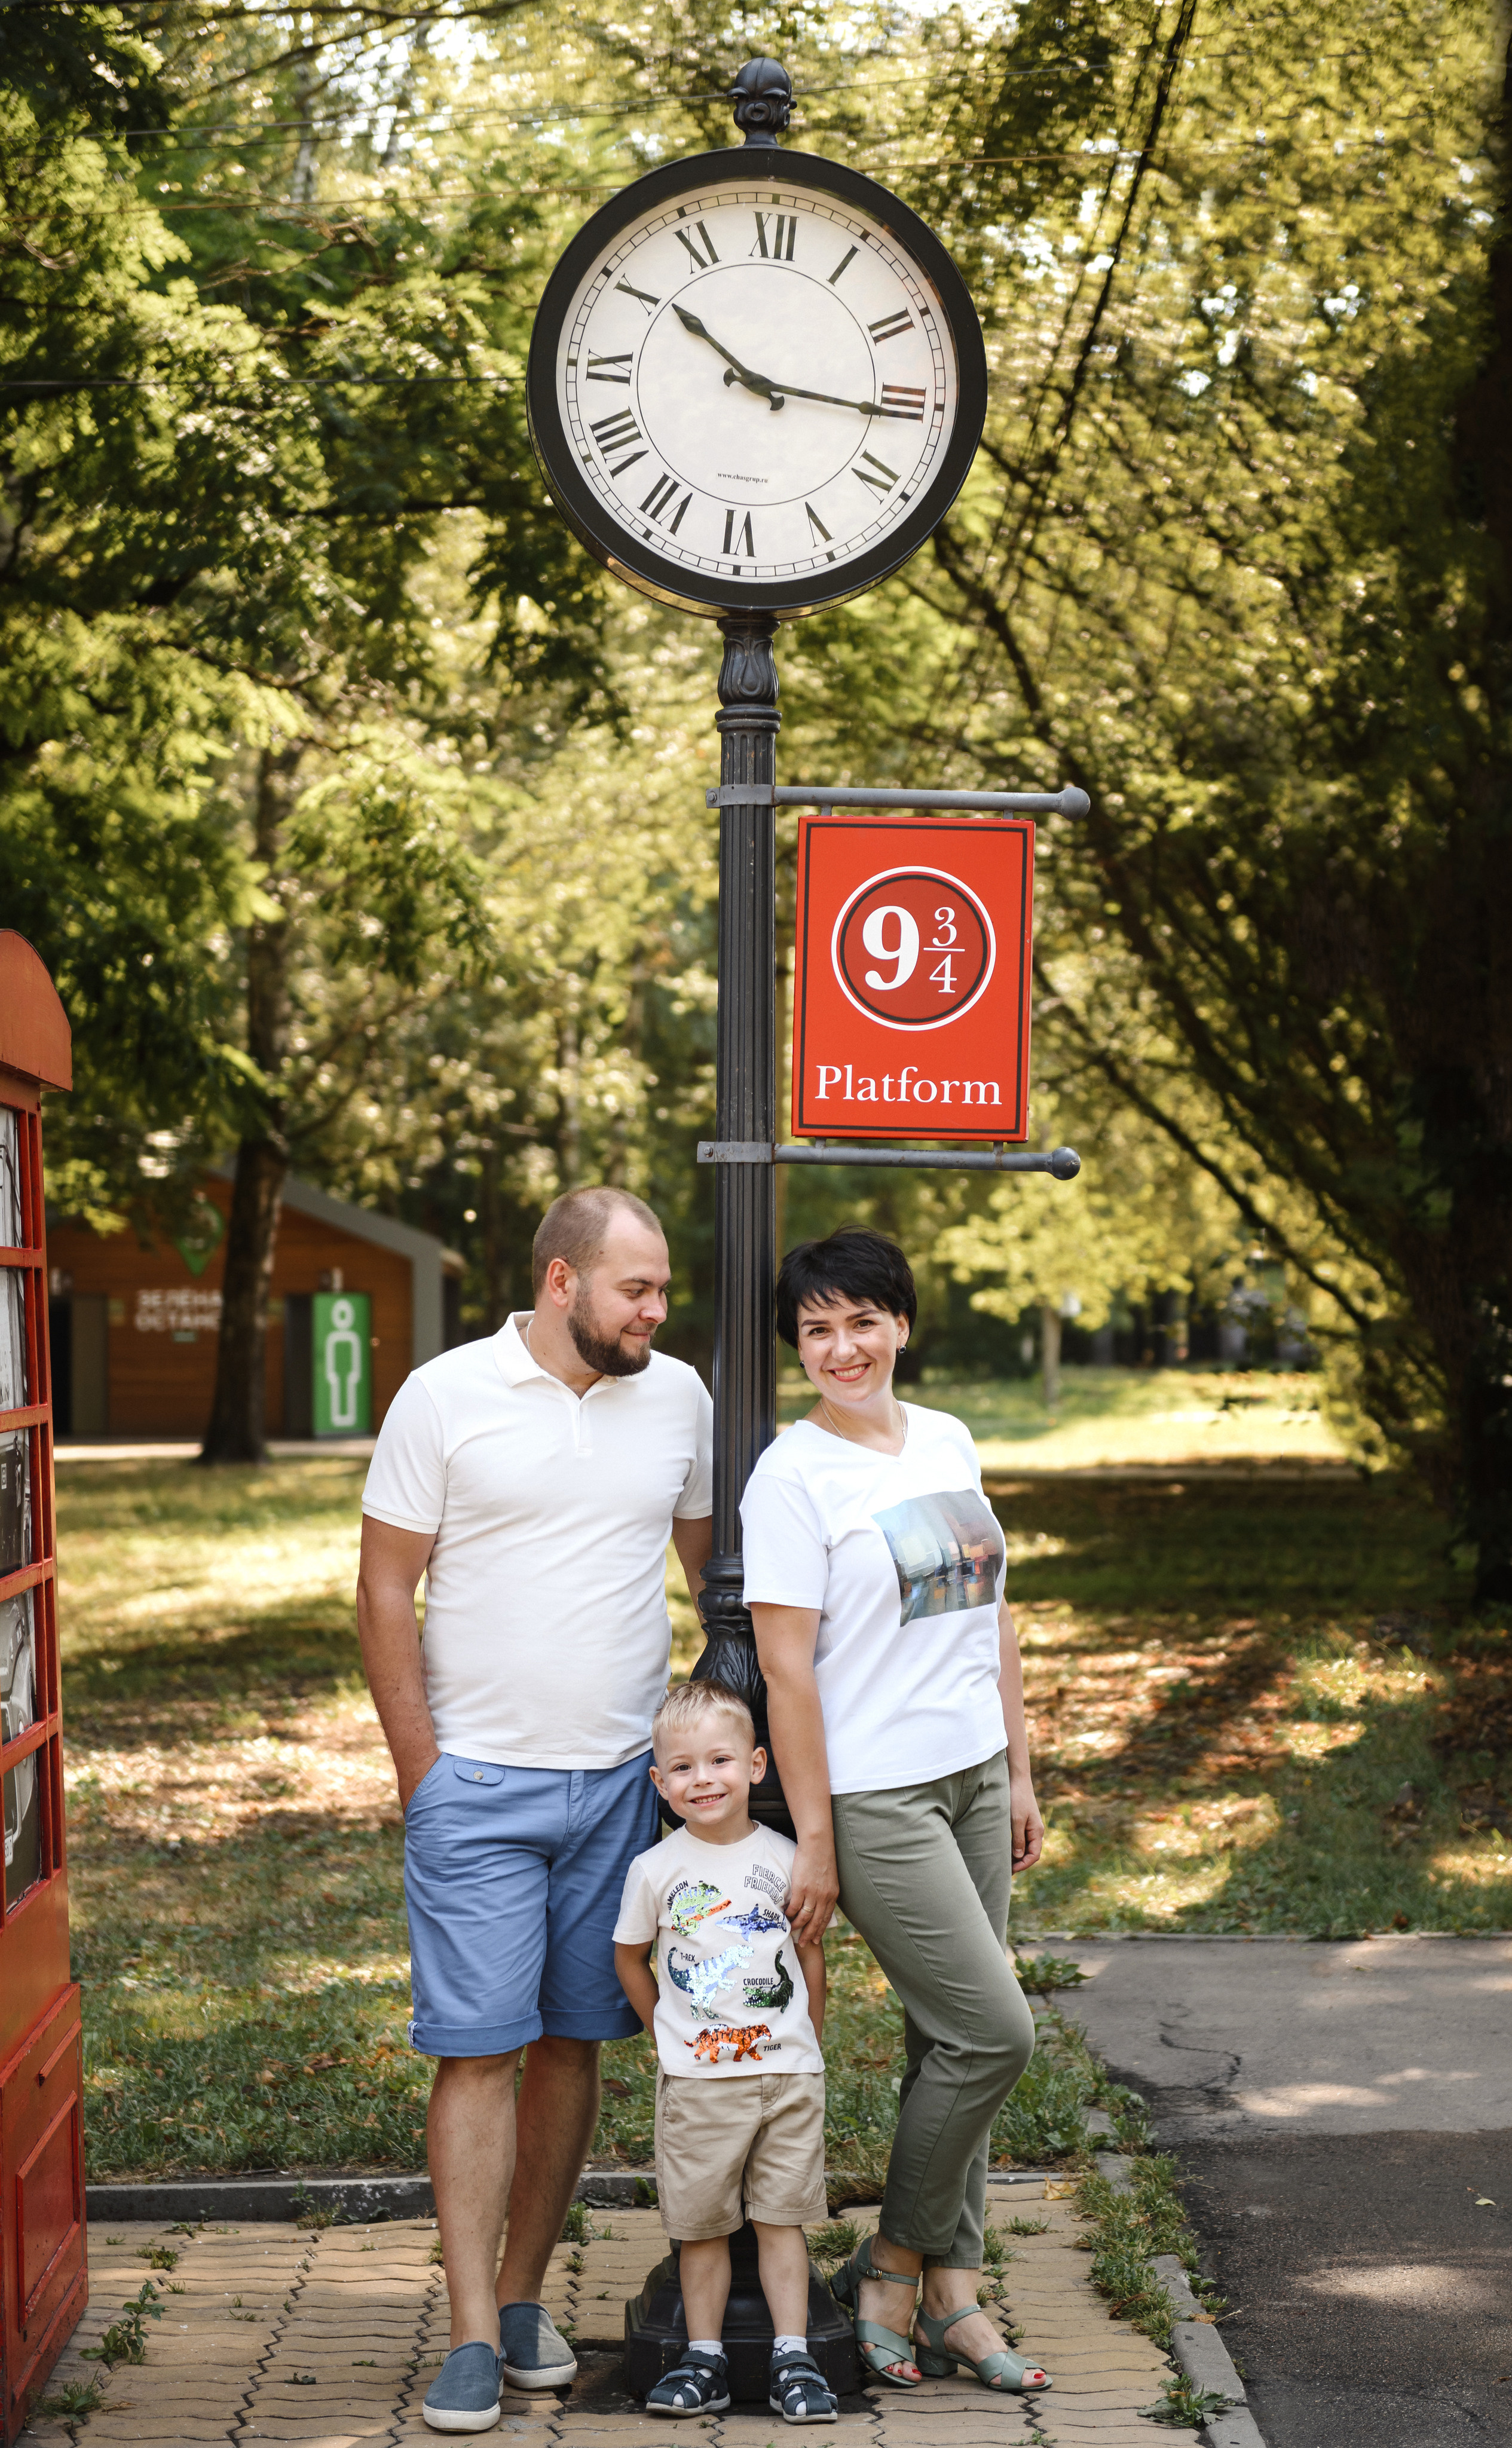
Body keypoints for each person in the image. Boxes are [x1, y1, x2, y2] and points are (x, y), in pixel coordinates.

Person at [357, 1187, 714, 2435]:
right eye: (636, 1288)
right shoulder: (443, 1395)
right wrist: (424, 1774)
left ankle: (518, 2299)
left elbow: (711, 1579)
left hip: (620, 1784)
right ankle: (466, 2332)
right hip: (478, 1783)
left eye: (662, 1289)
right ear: (563, 1281)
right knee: (477, 2049)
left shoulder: (678, 1397)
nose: (656, 1310)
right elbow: (384, 1589)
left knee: (572, 2042)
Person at [740, 1226, 1051, 2398]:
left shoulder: (947, 1437)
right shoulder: (791, 1475)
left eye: (861, 1320)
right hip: (877, 1793)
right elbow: (787, 1674)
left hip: (973, 1770)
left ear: (900, 1324)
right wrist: (815, 1837)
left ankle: (954, 2297)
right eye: (815, 1328)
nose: (841, 1347)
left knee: (945, 2040)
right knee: (994, 2032)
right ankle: (889, 2266)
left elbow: (990, 1615)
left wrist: (1019, 1769)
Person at [613, 1680, 836, 2426]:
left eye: (719, 1760)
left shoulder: (786, 1859)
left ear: (756, 1765)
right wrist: (663, 2032)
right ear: (660, 1782)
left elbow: (808, 1957)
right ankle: (703, 2357)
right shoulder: (656, 1869)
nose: (702, 1778)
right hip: (700, 2083)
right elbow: (629, 1958)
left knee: (781, 2220)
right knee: (702, 2226)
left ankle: (792, 2355)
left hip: (786, 2075)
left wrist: (808, 2038)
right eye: (682, 1767)